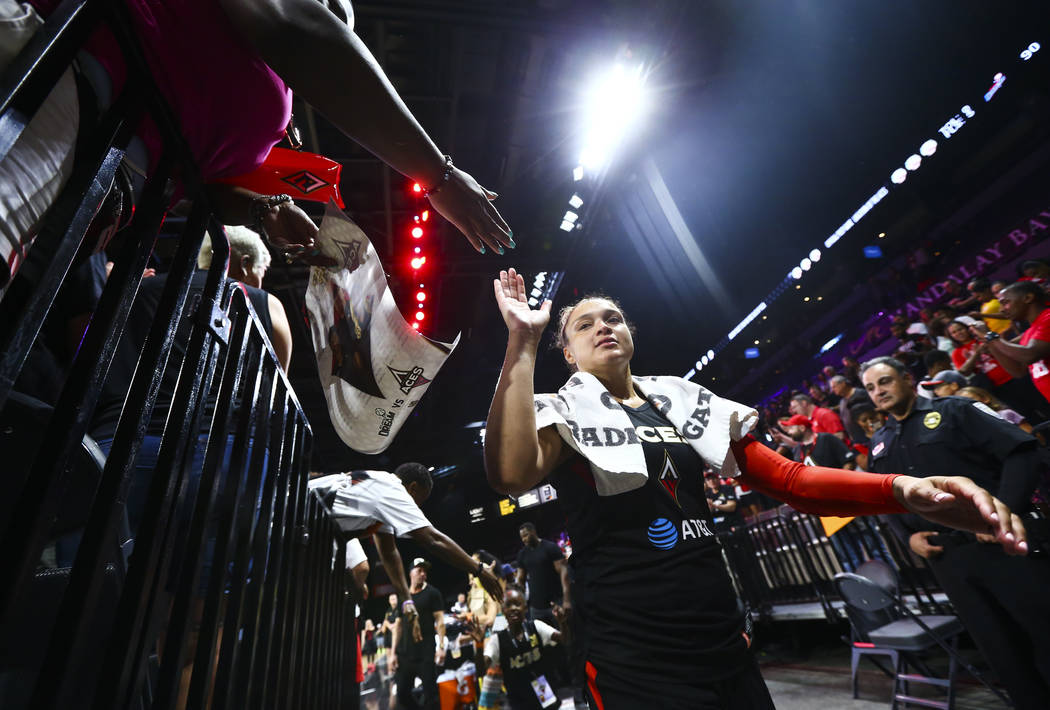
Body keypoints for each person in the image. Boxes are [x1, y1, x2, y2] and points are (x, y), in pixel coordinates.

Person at [484, 268, 1027, 710]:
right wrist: (523, 341)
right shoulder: (561, 412)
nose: (605, 326)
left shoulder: (680, 400)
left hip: (721, 637)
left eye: (615, 318)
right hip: (632, 654)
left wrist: (903, 487)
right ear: (570, 354)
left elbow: (793, 481)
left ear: (630, 335)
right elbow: (510, 473)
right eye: (585, 325)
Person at [24, 0, 514, 266]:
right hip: (65, 92)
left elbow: (203, 190)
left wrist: (265, 208)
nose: (337, 17)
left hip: (96, 171)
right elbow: (303, 35)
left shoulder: (259, 98)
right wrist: (439, 176)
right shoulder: (277, 27)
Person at [862, 356, 1050, 709]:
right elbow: (888, 502)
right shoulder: (879, 444)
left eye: (884, 382)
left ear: (906, 378)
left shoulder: (957, 410)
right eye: (871, 388)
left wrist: (1000, 513)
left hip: (1003, 547)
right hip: (950, 562)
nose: (878, 392)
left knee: (1043, 630)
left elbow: (1022, 451)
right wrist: (908, 539)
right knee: (1001, 652)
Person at [308, 463, 503, 612]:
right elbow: (432, 539)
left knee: (359, 570)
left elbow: (389, 551)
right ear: (413, 488)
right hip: (298, 513)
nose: (417, 508)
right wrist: (478, 570)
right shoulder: (394, 489)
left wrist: (406, 599)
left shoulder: (380, 488)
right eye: (420, 501)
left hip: (317, 519)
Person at [472, 584, 566, 710]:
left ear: (525, 608)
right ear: (503, 610)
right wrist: (479, 645)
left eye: (517, 604)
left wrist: (562, 623)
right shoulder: (497, 640)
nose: (513, 609)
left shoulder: (536, 627)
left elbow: (565, 640)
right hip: (518, 698)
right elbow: (481, 670)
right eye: (509, 605)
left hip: (542, 688)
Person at [978, 280, 1050, 407]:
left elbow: (1030, 355)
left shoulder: (1047, 318)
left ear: (1028, 298)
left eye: (1005, 303)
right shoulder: (1029, 333)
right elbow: (1018, 371)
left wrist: (993, 337)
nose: (1002, 310)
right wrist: (990, 343)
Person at [391, 559, 445, 710]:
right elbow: (398, 626)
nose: (423, 574)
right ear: (410, 573)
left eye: (424, 571)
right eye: (419, 570)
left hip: (425, 653)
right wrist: (393, 653)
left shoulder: (432, 593)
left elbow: (440, 621)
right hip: (405, 654)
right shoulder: (403, 595)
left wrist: (441, 647)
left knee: (431, 696)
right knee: (402, 694)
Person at [515, 523, 571, 626]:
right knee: (541, 641)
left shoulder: (550, 547)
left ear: (533, 532)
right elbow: (520, 579)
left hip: (556, 603)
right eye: (522, 537)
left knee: (565, 638)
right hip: (536, 608)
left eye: (526, 535)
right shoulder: (522, 554)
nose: (524, 539)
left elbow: (564, 572)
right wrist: (520, 602)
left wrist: (566, 599)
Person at [956, 386, 1032, 433]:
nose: (968, 405)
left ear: (985, 399)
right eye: (962, 404)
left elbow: (1031, 432)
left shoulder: (1006, 414)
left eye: (971, 400)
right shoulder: (975, 428)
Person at [830, 375, 870, 443]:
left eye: (834, 387)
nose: (833, 390)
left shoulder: (861, 394)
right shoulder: (842, 402)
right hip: (858, 441)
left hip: (870, 437)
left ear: (843, 384)